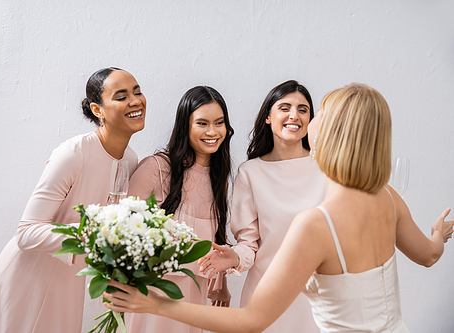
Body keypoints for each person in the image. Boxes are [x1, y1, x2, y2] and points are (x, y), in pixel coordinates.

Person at [103, 83, 454, 333]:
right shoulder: (388, 197)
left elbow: (253, 321)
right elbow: (428, 255)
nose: (305, 119)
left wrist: (153, 304)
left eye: (318, 113)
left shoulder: (316, 223)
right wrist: (438, 234)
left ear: (333, 133)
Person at [0, 67, 145, 333]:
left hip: (68, 282)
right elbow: (26, 232)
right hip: (27, 277)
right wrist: (87, 237)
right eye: (121, 96)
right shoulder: (73, 153)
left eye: (137, 92)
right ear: (98, 110)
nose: (135, 101)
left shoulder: (131, 160)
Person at [198, 80, 325, 332]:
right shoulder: (250, 173)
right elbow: (249, 243)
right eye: (285, 107)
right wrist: (234, 257)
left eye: (303, 109)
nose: (294, 116)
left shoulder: (328, 168)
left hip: (318, 296)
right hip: (266, 294)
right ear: (268, 116)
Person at [124, 86, 234, 333]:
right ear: (186, 126)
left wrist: (220, 284)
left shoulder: (219, 178)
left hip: (195, 294)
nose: (212, 132)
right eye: (202, 123)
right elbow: (123, 228)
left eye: (219, 123)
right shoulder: (158, 168)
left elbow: (213, 239)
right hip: (154, 291)